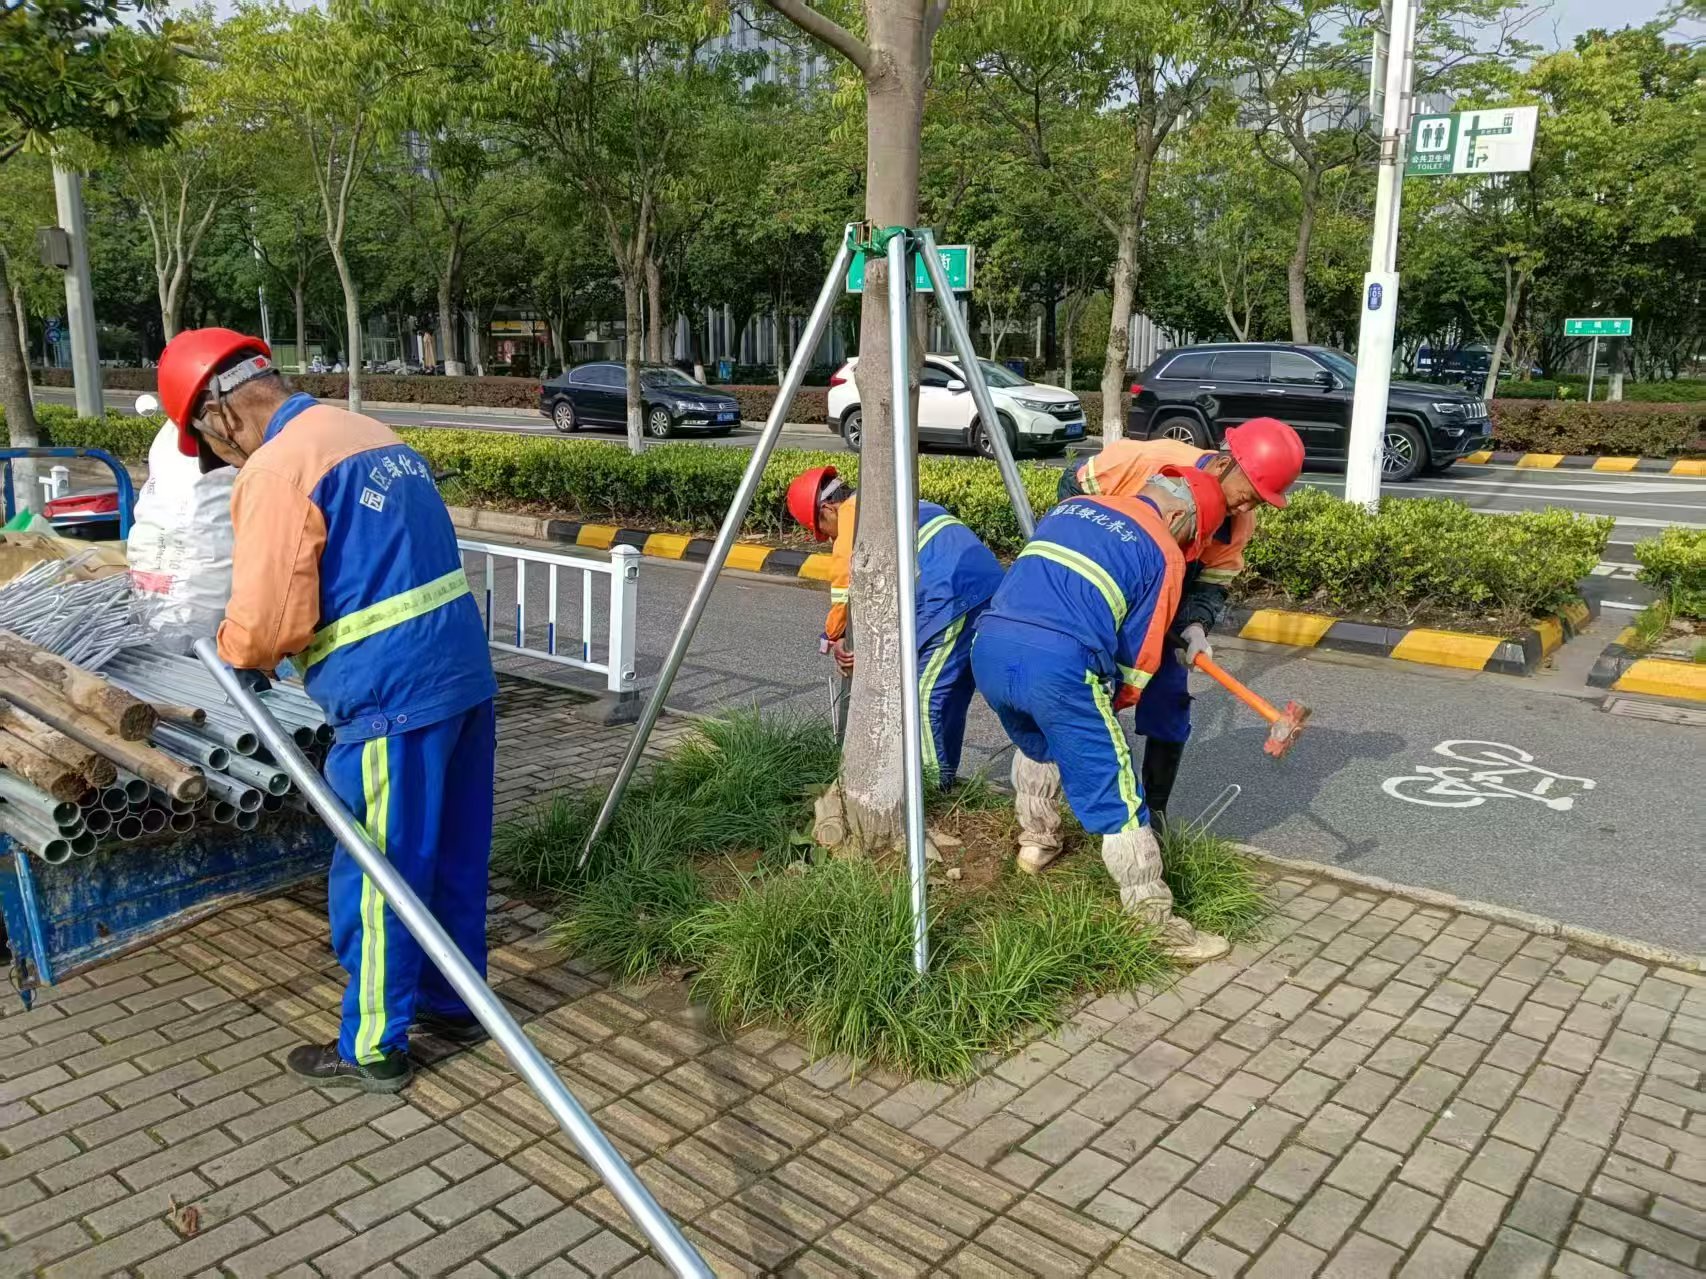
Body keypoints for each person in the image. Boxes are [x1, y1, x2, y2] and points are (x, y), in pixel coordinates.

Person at [157, 327, 497, 1094]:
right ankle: (456, 1002)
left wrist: (234, 655)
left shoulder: (280, 466)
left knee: (379, 871)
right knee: (451, 853)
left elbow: (267, 618)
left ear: (219, 412)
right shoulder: (366, 431)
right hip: (461, 676)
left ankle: (374, 1044)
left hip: (389, 697)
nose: (227, 459)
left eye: (215, 446)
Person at [970, 465, 1233, 964]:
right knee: (1118, 793)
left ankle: (1036, 844)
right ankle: (1155, 923)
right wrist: (1109, 709)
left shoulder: (1073, 508)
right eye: (1190, 537)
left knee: (1038, 743)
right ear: (1178, 514)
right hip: (1059, 665)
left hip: (990, 646)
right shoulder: (1163, 550)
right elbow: (1139, 657)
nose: (1184, 547)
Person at [1055, 420, 1304, 826]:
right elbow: (1071, 491)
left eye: (1257, 503)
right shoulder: (1144, 461)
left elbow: (1212, 582)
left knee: (1169, 704)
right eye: (1246, 496)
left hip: (1163, 602)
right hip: (1102, 596)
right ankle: (1079, 808)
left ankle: (1154, 816)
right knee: (1085, 696)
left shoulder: (1237, 524)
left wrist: (1195, 626)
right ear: (1223, 464)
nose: (1245, 509)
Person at [786, 465, 1002, 790]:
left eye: (824, 531)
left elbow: (846, 583)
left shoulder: (854, 515)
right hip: (986, 591)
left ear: (827, 508)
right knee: (950, 694)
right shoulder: (896, 500)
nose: (830, 539)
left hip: (952, 598)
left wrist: (834, 635)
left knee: (924, 698)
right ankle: (942, 775)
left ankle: (929, 792)